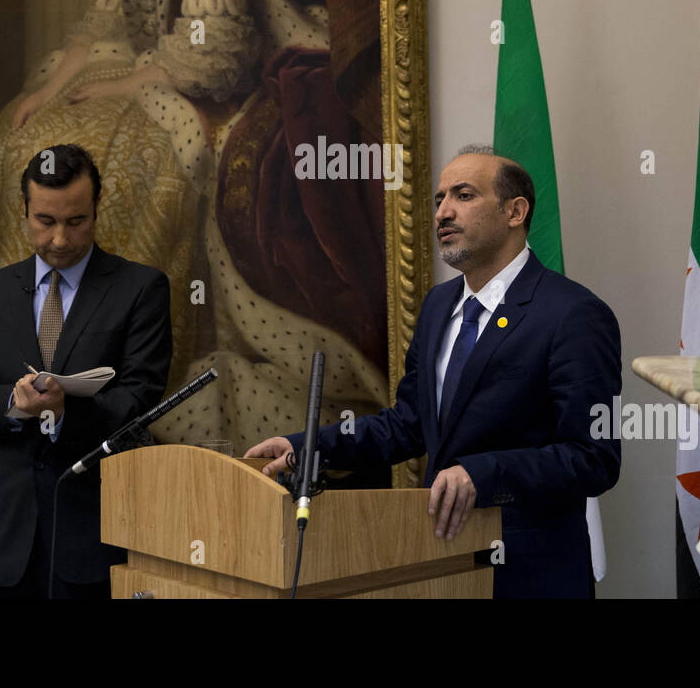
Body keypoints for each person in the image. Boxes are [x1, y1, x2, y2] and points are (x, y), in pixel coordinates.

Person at [0, 0, 389, 458]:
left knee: (133, 166)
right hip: (132, 72)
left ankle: (125, 367)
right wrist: (49, 88)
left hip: (191, 89)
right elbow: (96, 29)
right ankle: (32, 359)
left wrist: (129, 81)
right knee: (16, 136)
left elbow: (218, 53)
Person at [245, 146, 623, 598]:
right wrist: (306, 447)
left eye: (463, 195)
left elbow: (594, 458)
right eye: (440, 198)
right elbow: (408, 424)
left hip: (529, 571)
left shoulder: (573, 313)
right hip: (442, 565)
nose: (443, 211)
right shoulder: (438, 306)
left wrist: (481, 474)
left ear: (515, 211)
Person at [0, 144, 171, 598]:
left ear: (96, 209)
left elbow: (137, 402)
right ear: (24, 210)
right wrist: (13, 405)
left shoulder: (141, 289)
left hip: (94, 538)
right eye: (45, 221)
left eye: (76, 221)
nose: (60, 239)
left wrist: (64, 414)